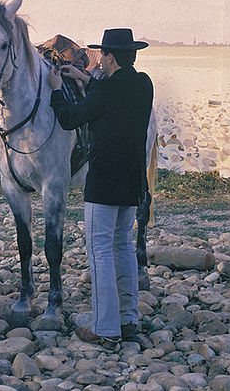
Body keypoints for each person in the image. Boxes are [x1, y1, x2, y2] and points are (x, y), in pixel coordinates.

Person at [46, 28, 153, 350]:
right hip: (132, 181)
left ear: (109, 56)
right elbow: (111, 95)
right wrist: (86, 78)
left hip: (104, 183)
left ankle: (105, 328)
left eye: (103, 56)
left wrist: (55, 91)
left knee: (101, 252)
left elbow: (69, 118)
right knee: (122, 247)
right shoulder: (143, 83)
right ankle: (128, 320)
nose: (100, 61)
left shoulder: (105, 92)